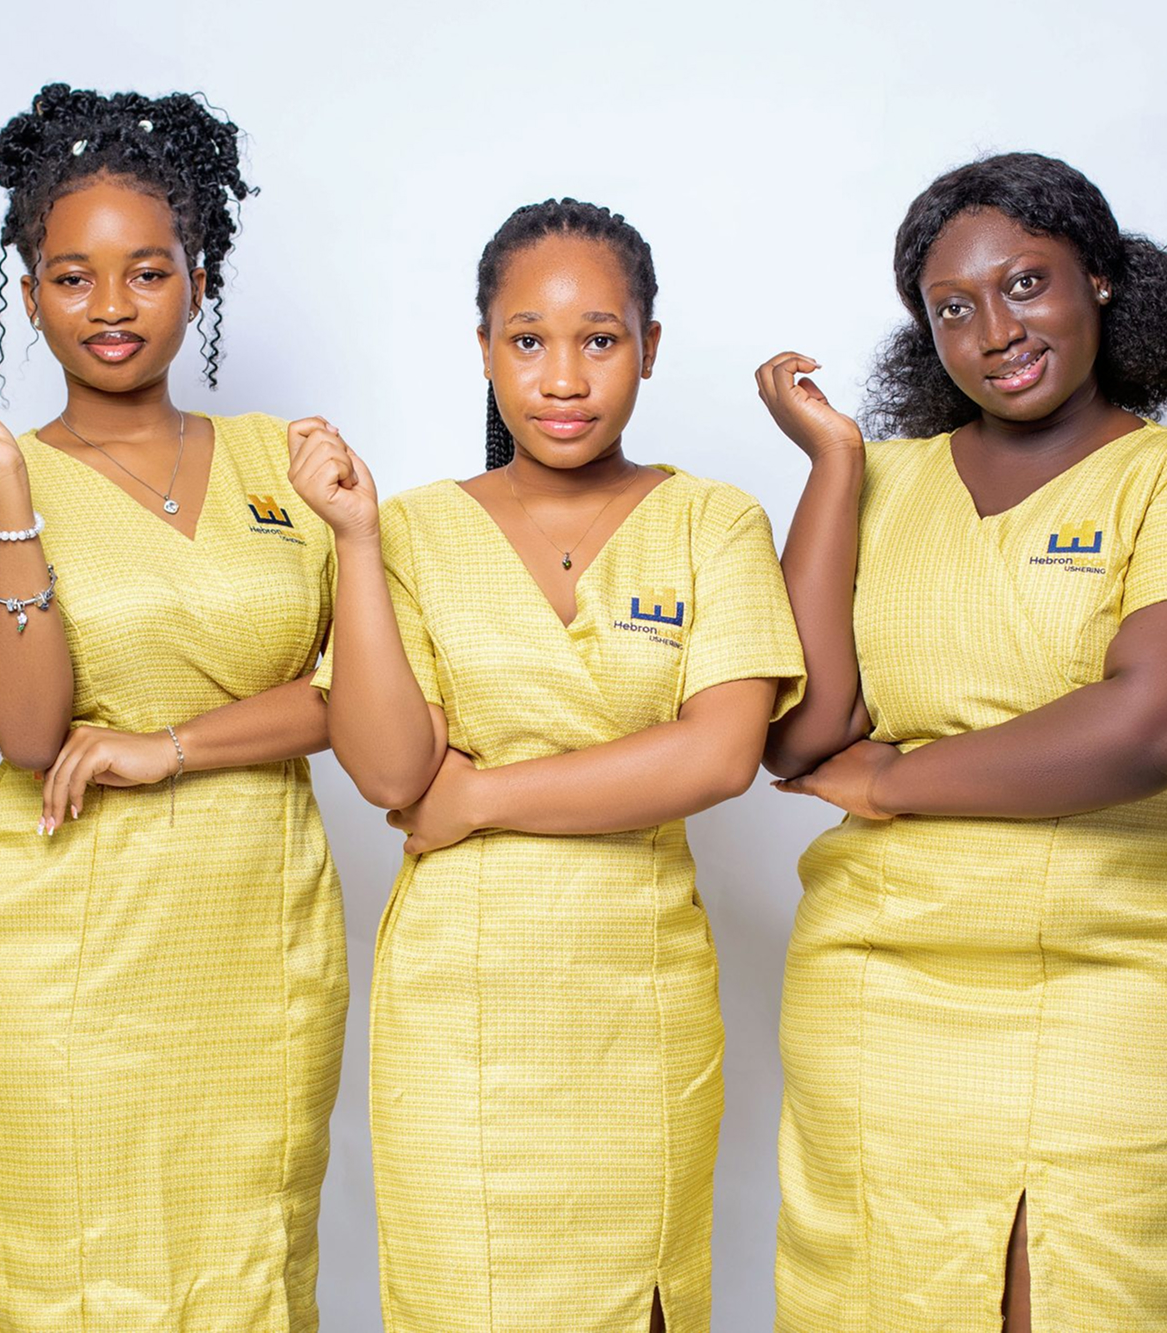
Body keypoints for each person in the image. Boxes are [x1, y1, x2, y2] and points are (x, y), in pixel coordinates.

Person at [763, 152, 1167, 1332]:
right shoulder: (879, 482)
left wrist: (894, 780)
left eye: (1024, 283)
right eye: (951, 308)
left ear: (1098, 277)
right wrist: (833, 468)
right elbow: (799, 734)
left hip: (1120, 977)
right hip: (879, 980)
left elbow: (1155, 725)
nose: (994, 331)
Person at [293, 197, 803, 1332]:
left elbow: (720, 753)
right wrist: (357, 540)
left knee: (639, 1297)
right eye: (527, 340)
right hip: (458, 1008)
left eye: (599, 339)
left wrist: (480, 795)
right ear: (484, 349)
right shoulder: (412, 528)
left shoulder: (713, 521)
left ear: (650, 347)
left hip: (639, 999)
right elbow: (391, 772)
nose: (563, 378)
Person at [0, 83, 346, 1333]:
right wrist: (8, 488)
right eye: (72, 277)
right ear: (30, 292)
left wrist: (173, 747)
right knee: (75, 1283)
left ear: (198, 281)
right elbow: (26, 732)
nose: (110, 307)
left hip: (259, 949)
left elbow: (352, 695)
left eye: (147, 272)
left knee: (250, 1274)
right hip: (65, 953)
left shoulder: (283, 461)